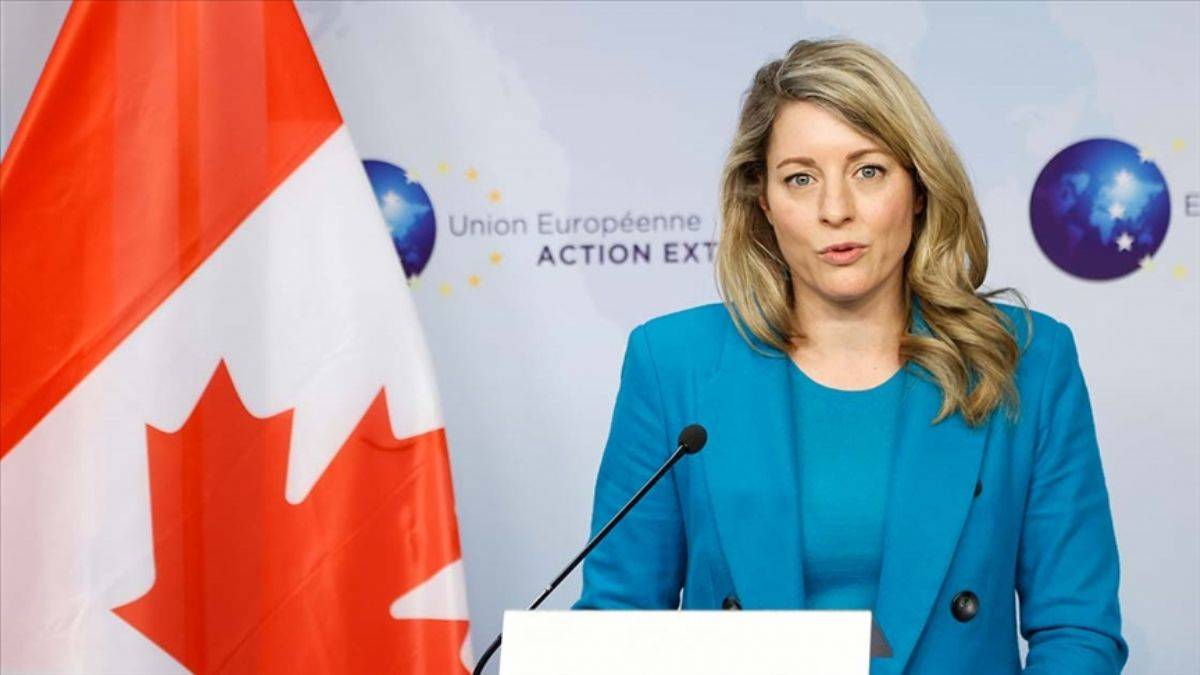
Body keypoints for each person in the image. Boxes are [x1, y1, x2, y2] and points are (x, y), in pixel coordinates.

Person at [571, 37, 1128, 675]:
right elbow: (617, 624)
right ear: (763, 200)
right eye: (800, 178)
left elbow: (1078, 631)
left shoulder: (1028, 358)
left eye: (868, 171)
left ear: (918, 188)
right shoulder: (672, 363)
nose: (835, 210)